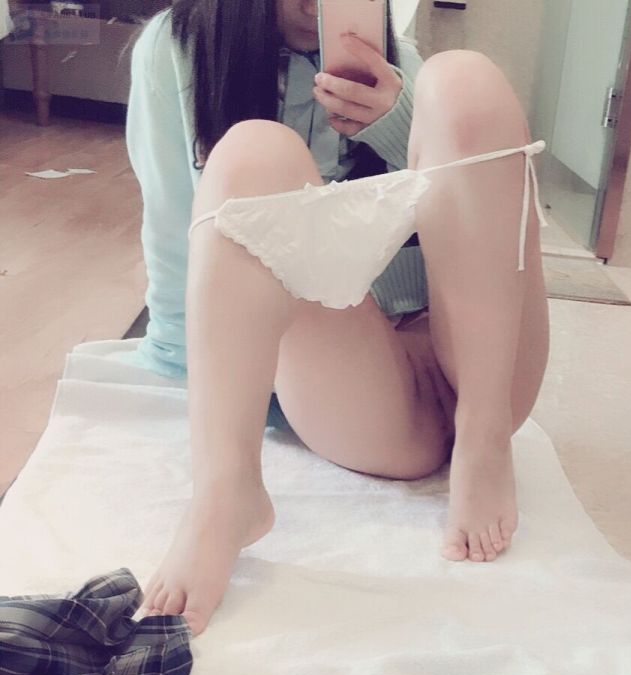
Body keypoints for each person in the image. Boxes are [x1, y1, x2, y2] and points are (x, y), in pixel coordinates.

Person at [126, 0, 550, 637]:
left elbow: (470, 220)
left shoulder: (392, 61)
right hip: (366, 385)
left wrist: (394, 125)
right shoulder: (178, 47)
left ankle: (484, 443)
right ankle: (226, 492)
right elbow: (172, 227)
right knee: (253, 151)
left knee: (465, 79)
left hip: (481, 369)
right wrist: (228, 376)